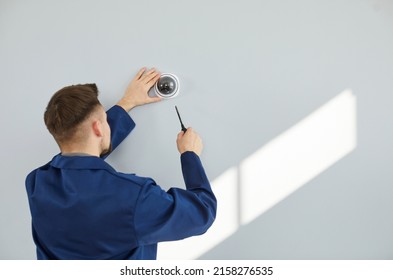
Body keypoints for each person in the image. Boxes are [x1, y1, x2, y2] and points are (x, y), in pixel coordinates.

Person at [25, 67, 217, 260]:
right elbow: (202, 214)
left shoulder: (36, 183)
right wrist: (190, 155)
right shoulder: (133, 196)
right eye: (105, 119)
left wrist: (128, 102)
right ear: (98, 128)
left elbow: (78, 156)